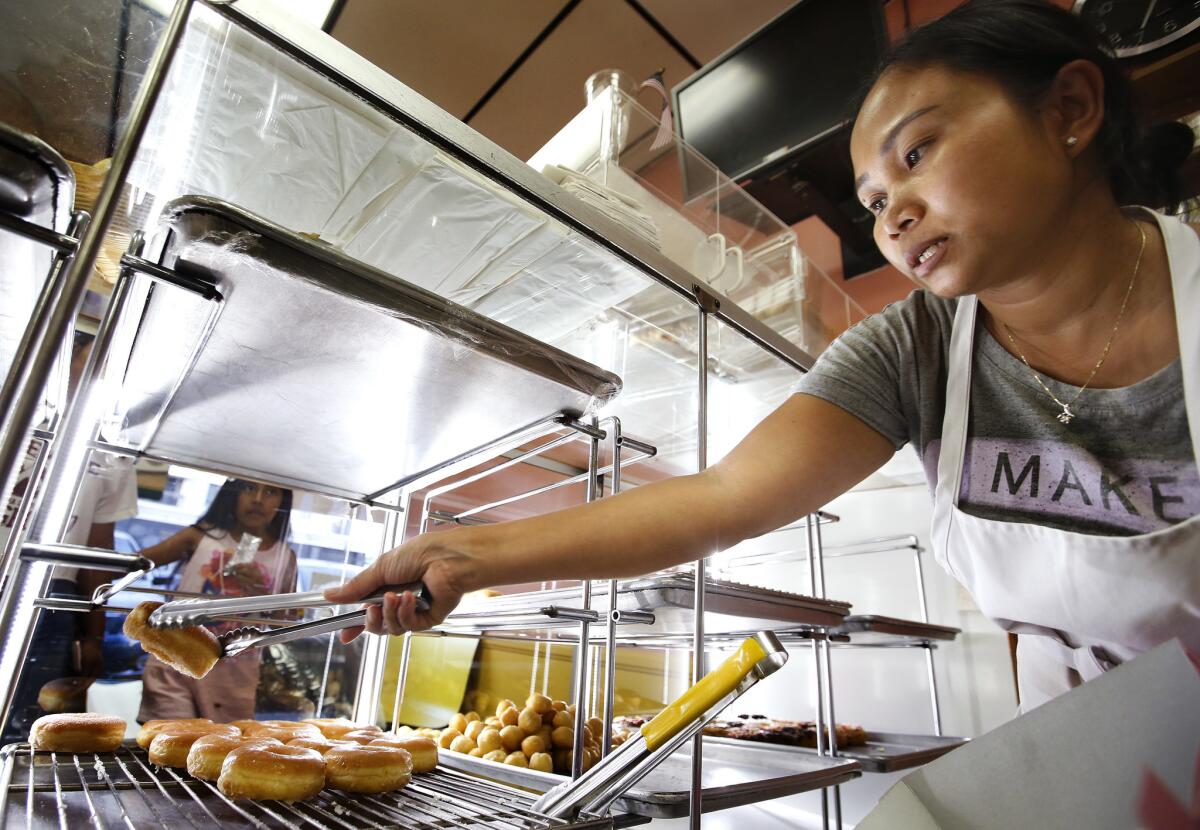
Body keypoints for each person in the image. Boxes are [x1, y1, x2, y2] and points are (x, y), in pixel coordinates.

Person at [326, 0, 1199, 712]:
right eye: (874, 199)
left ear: (1070, 110)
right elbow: (723, 496)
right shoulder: (914, 351)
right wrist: (469, 558)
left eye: (918, 153)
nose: (891, 219)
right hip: (1090, 747)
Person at [0, 331, 138, 739]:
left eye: (114, 368)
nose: (102, 374)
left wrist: (93, 633)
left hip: (55, 597)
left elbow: (99, 549)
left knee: (26, 720)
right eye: (92, 359)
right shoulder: (15, 412)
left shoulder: (111, 448)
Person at [136, 478, 297, 722]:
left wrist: (261, 595)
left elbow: (286, 622)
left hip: (236, 673)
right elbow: (134, 565)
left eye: (271, 491)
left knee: (220, 748)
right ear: (232, 493)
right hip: (175, 659)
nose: (258, 499)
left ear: (282, 501)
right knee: (171, 740)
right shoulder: (199, 537)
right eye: (249, 487)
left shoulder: (285, 557)